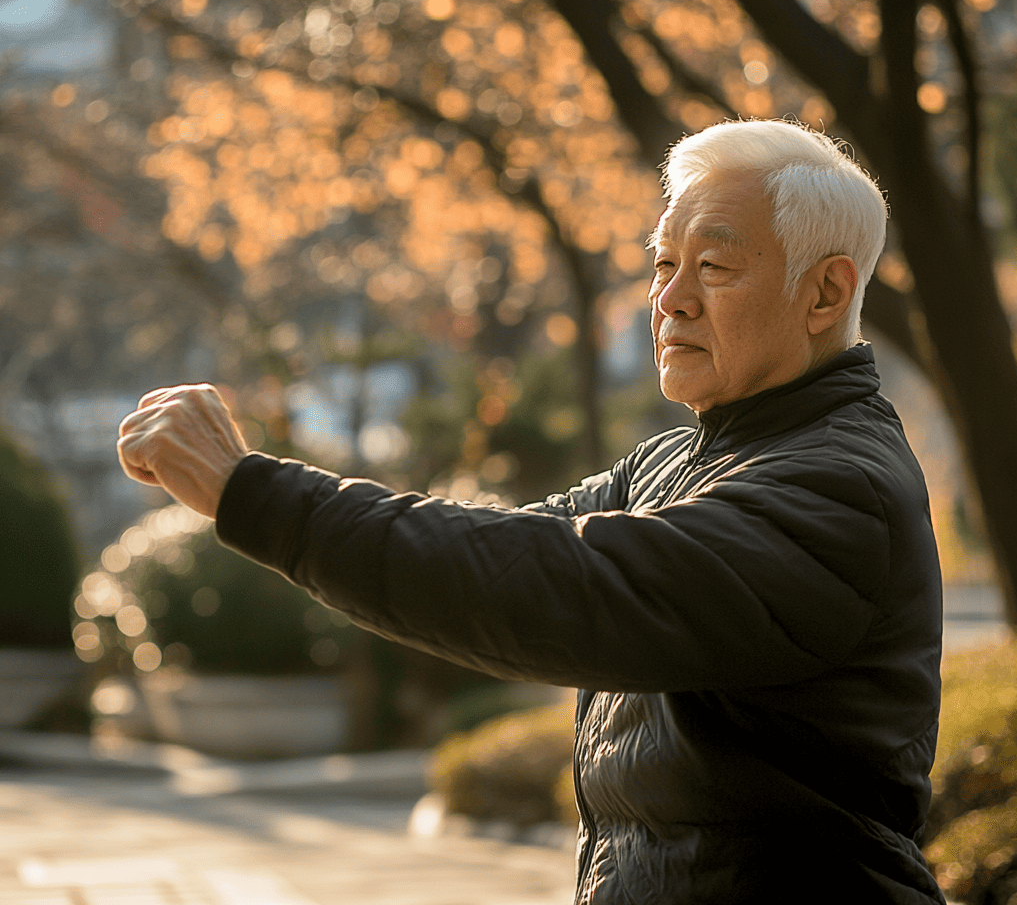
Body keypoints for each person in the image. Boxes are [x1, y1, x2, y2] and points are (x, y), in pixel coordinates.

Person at [118, 118, 946, 904]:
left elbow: (541, 585)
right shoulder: (677, 460)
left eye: (714, 267)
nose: (672, 302)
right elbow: (493, 547)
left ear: (826, 293)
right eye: (662, 266)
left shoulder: (839, 490)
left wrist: (252, 493)